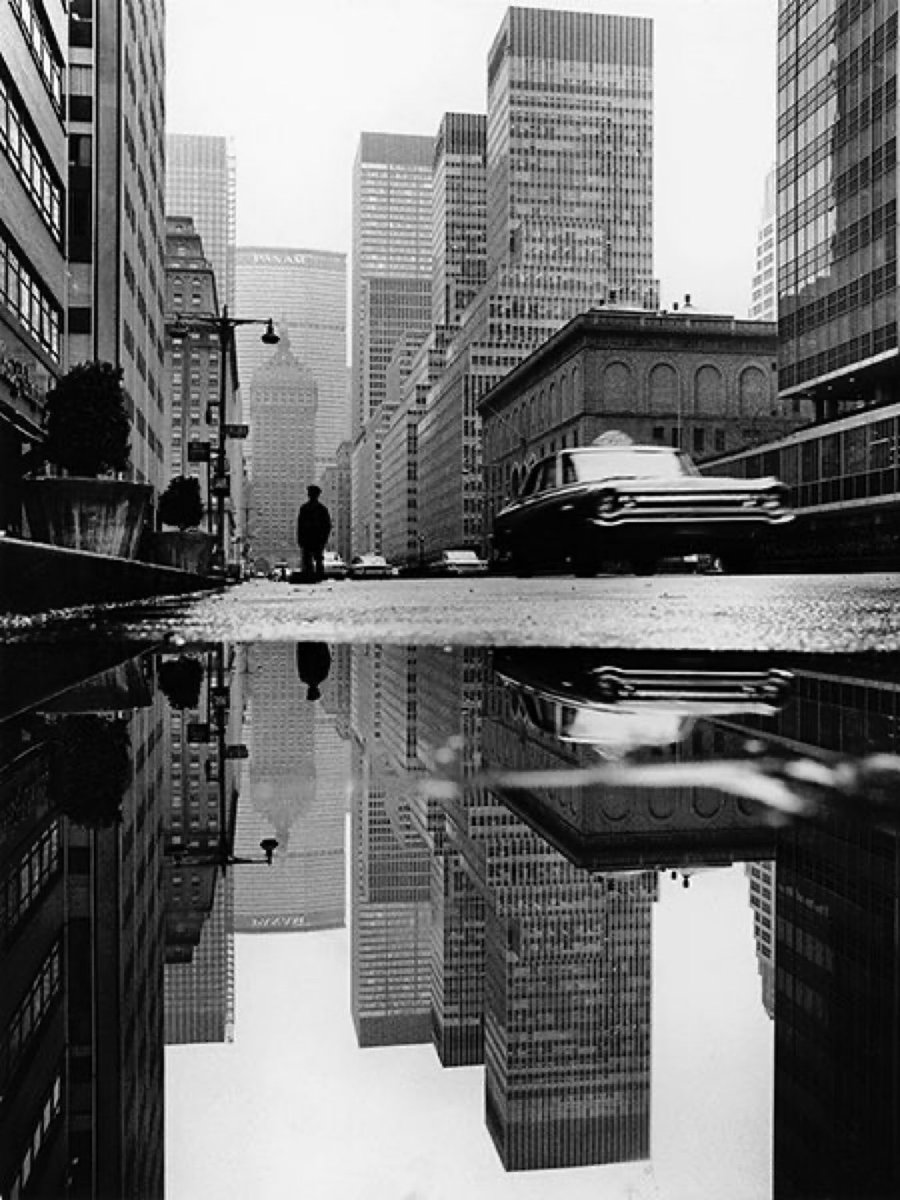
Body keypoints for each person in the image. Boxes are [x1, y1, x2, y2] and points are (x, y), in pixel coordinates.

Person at [296, 484, 332, 582]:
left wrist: (324, 538)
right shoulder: (318, 509)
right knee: (312, 559)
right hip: (312, 540)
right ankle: (313, 576)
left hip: (314, 539)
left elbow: (327, 526)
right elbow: (300, 525)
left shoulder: (318, 509)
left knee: (315, 559)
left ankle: (312, 576)